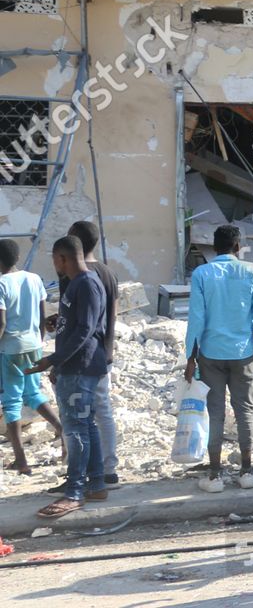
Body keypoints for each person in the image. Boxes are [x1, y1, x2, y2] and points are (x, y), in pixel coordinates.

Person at [184, 224, 253, 491]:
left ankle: (215, 475)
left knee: (216, 413)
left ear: (214, 246)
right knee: (245, 412)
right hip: (244, 353)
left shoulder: (201, 274)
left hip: (211, 352)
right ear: (237, 247)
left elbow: (196, 318)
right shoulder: (252, 272)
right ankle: (246, 471)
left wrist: (190, 358)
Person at [32, 236, 108, 519]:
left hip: (80, 366)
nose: (55, 265)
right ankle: (96, 483)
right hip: (73, 366)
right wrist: (58, 362)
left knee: (75, 428)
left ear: (62, 258)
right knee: (85, 425)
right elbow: (75, 325)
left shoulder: (86, 283)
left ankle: (75, 491)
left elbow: (86, 329)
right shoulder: (78, 284)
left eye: (54, 260)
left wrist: (53, 360)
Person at [0, 238, 62, 474]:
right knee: (33, 393)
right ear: (17, 258)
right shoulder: (34, 278)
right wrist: (40, 340)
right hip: (34, 343)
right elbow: (42, 316)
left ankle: (21, 461)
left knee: (11, 401)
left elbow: (2, 322)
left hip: (10, 348)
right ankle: (61, 429)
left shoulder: (1, 284)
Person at [66, 221, 119, 487]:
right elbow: (113, 314)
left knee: (80, 416)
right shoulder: (108, 273)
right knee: (103, 411)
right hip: (105, 352)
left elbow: (81, 322)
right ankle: (108, 468)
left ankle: (89, 470)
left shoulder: (79, 274)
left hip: (85, 357)